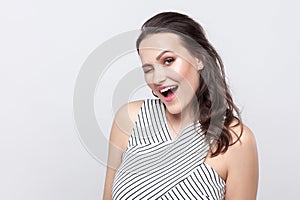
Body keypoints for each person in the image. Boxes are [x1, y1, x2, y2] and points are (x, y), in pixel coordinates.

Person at [103, 11, 258, 200]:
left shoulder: (236, 140)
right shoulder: (129, 118)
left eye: (168, 61)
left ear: (199, 58)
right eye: (148, 69)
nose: (158, 78)